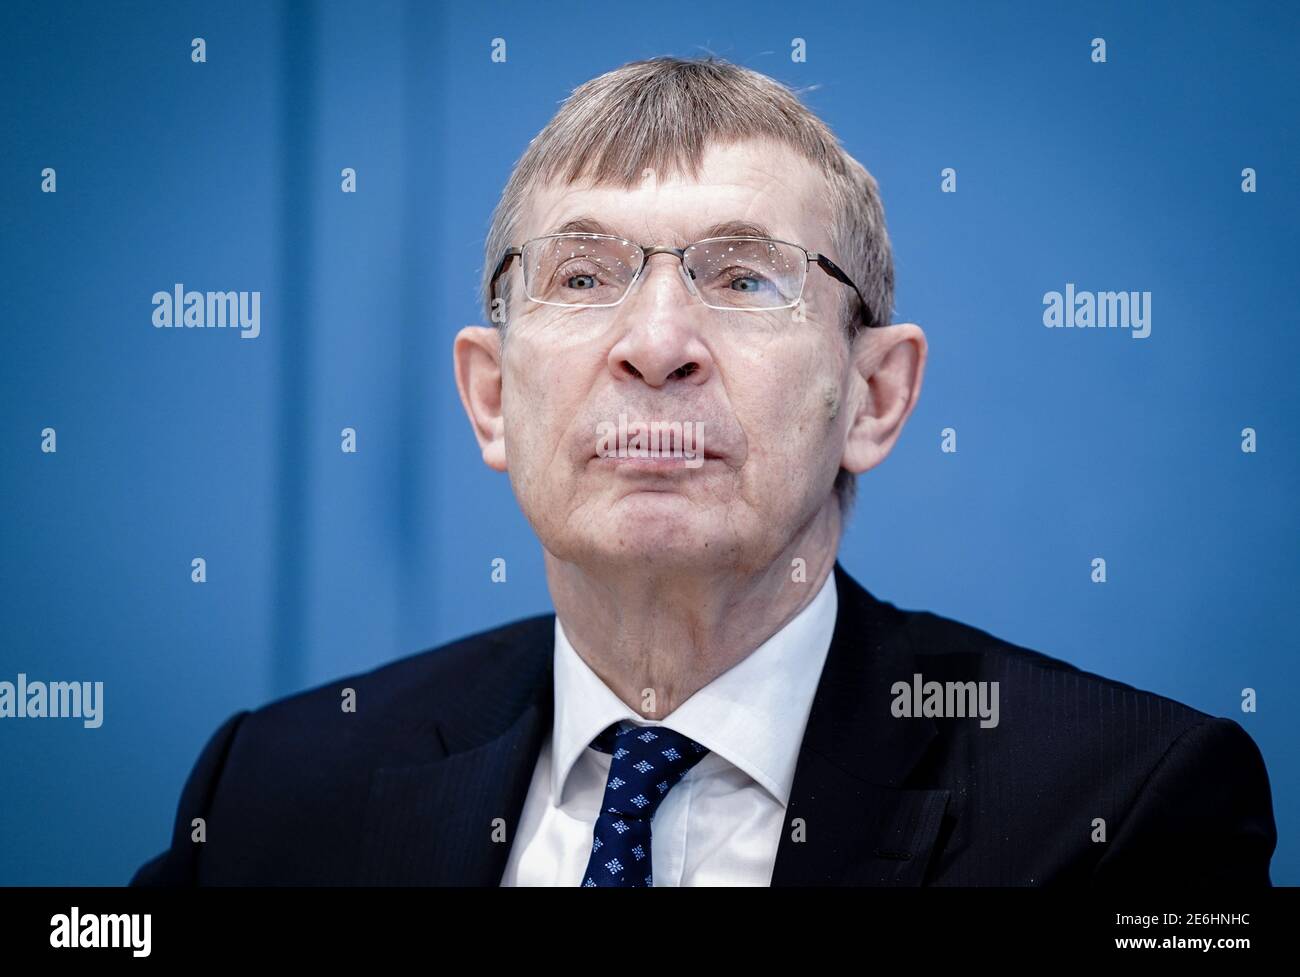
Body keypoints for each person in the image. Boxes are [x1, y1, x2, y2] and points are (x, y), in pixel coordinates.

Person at [131, 56, 1275, 887]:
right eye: (582, 277)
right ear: (490, 396)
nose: (657, 341)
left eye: (743, 278)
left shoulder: (1121, 810)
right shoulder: (274, 788)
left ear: (873, 396)